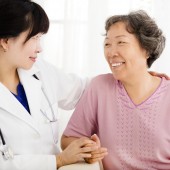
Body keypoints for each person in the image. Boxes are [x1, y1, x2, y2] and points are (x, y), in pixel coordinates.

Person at [0, 0, 108, 169]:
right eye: (34, 38)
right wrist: (59, 160)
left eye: (40, 38)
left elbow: (85, 90)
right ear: (5, 41)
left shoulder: (40, 71)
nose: (39, 48)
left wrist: (135, 75)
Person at [61, 10, 170, 170]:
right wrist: (89, 150)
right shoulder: (99, 87)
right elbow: (68, 139)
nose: (111, 53)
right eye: (107, 44)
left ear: (146, 49)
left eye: (121, 43)